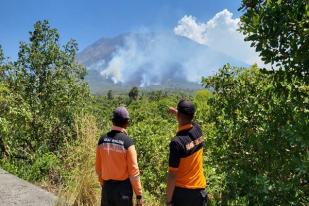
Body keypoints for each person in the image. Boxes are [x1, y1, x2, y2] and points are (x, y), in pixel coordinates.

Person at [96, 106, 144, 206]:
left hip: (107, 189)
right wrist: (139, 195)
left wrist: (103, 184)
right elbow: (134, 172)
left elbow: (98, 168)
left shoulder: (102, 140)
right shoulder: (128, 143)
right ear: (126, 123)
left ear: (112, 121)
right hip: (123, 191)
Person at [166, 100, 208, 206]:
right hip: (200, 191)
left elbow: (172, 174)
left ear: (179, 115)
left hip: (183, 194)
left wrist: (168, 201)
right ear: (192, 116)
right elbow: (189, 121)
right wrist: (177, 112)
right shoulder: (198, 129)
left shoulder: (177, 142)